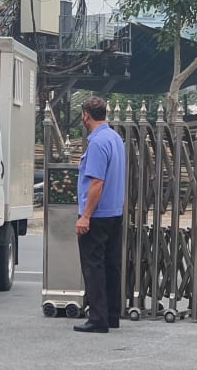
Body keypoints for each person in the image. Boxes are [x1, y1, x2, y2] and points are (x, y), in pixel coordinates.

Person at [74, 96, 127, 334]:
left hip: (97, 214)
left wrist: (85, 216)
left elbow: (96, 183)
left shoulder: (96, 143)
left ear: (86, 115)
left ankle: (97, 318)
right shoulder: (115, 138)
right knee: (111, 265)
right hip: (115, 212)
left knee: (93, 266)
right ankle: (112, 314)